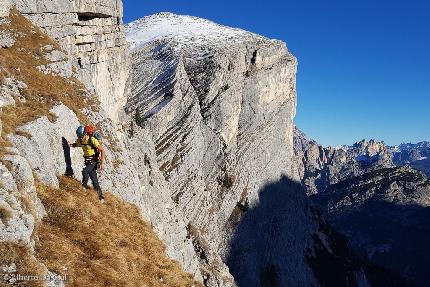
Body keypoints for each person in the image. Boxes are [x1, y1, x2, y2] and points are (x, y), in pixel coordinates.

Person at [69, 125, 105, 201]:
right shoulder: (80, 140)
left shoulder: (92, 140)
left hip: (94, 161)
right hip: (88, 162)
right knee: (94, 180)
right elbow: (77, 144)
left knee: (85, 171)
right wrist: (70, 145)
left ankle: (83, 187)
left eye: (82, 136)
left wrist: (102, 163)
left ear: (86, 134)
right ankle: (101, 197)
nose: (81, 138)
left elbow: (102, 150)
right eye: (79, 137)